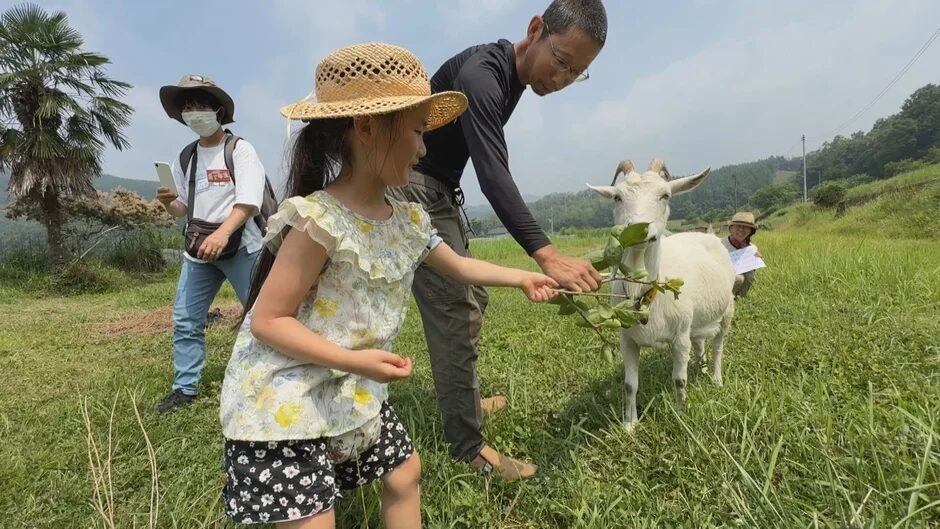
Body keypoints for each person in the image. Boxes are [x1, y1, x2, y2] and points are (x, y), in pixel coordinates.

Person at [218, 43, 558, 528]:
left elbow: (459, 267)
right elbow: (269, 322)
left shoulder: (405, 219)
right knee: (314, 516)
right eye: (418, 131)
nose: (423, 148)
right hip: (282, 400)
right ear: (367, 126)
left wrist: (524, 276)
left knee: (404, 473)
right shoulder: (320, 220)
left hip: (343, 383)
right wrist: (356, 361)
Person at [386, 0, 608, 480]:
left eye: (578, 73)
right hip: (412, 187)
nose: (563, 79)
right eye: (563, 62)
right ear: (535, 28)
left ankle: (464, 399)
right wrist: (545, 254)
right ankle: (468, 447)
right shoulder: (484, 76)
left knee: (473, 296)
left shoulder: (516, 79)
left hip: (435, 189)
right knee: (456, 307)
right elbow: (492, 173)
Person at [154, 75, 267, 413]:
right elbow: (182, 210)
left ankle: (272, 376)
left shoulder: (239, 150)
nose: (193, 113)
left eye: (200, 105)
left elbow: (249, 201)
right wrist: (167, 202)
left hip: (241, 247)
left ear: (218, 110)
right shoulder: (186, 157)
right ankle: (185, 389)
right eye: (187, 108)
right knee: (186, 319)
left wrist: (223, 234)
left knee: (262, 317)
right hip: (198, 250)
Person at [721, 211, 763, 298]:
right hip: (719, 282)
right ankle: (725, 301)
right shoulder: (720, 244)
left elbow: (753, 271)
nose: (741, 230)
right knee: (738, 278)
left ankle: (740, 299)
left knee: (750, 275)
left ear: (751, 231)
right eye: (738, 226)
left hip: (738, 289)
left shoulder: (751, 248)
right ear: (731, 228)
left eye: (746, 227)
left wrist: (758, 260)